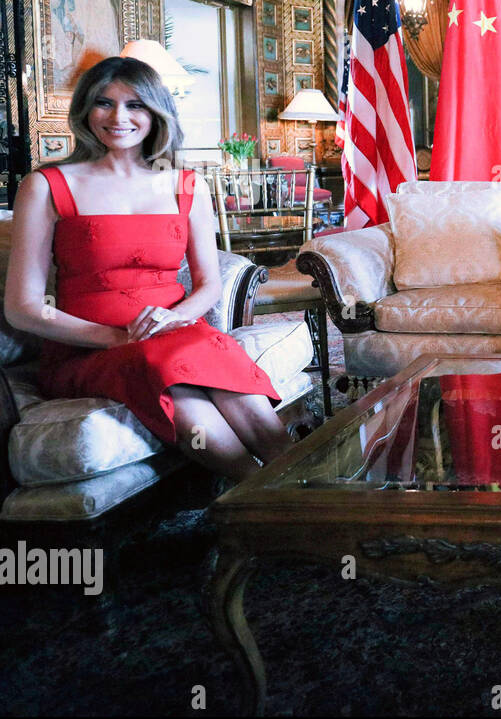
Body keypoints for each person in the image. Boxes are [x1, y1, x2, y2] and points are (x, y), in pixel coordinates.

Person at [4, 56, 290, 482]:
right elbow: (24, 308)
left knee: (200, 358)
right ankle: (261, 490)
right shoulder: (46, 185)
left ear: (156, 113)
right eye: (104, 103)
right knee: (169, 367)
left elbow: (209, 284)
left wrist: (177, 317)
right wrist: (114, 338)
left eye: (135, 104)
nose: (119, 117)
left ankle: (302, 482)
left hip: (173, 334)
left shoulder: (185, 184)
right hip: (87, 351)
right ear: (85, 109)